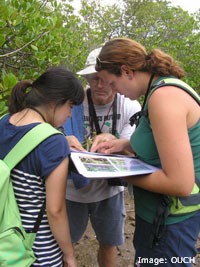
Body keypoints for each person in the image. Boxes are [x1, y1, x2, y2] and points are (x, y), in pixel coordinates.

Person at [92, 37, 200, 266]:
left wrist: (118, 172)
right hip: (157, 216)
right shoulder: (156, 92)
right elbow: (162, 143)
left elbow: (181, 183)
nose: (115, 92)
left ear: (127, 71)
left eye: (112, 83)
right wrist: (122, 145)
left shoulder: (164, 97)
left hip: (170, 223)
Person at [63, 47, 141, 267]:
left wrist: (113, 141)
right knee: (65, 244)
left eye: (103, 79)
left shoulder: (129, 104)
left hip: (109, 191)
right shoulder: (74, 102)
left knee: (109, 244)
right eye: (92, 78)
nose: (98, 84)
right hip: (71, 190)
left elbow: (134, 153)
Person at [0, 66, 84, 267]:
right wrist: (69, 254)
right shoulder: (54, 143)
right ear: (55, 102)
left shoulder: (4, 122)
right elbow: (55, 210)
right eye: (70, 106)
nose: (71, 114)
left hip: (5, 243)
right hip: (36, 251)